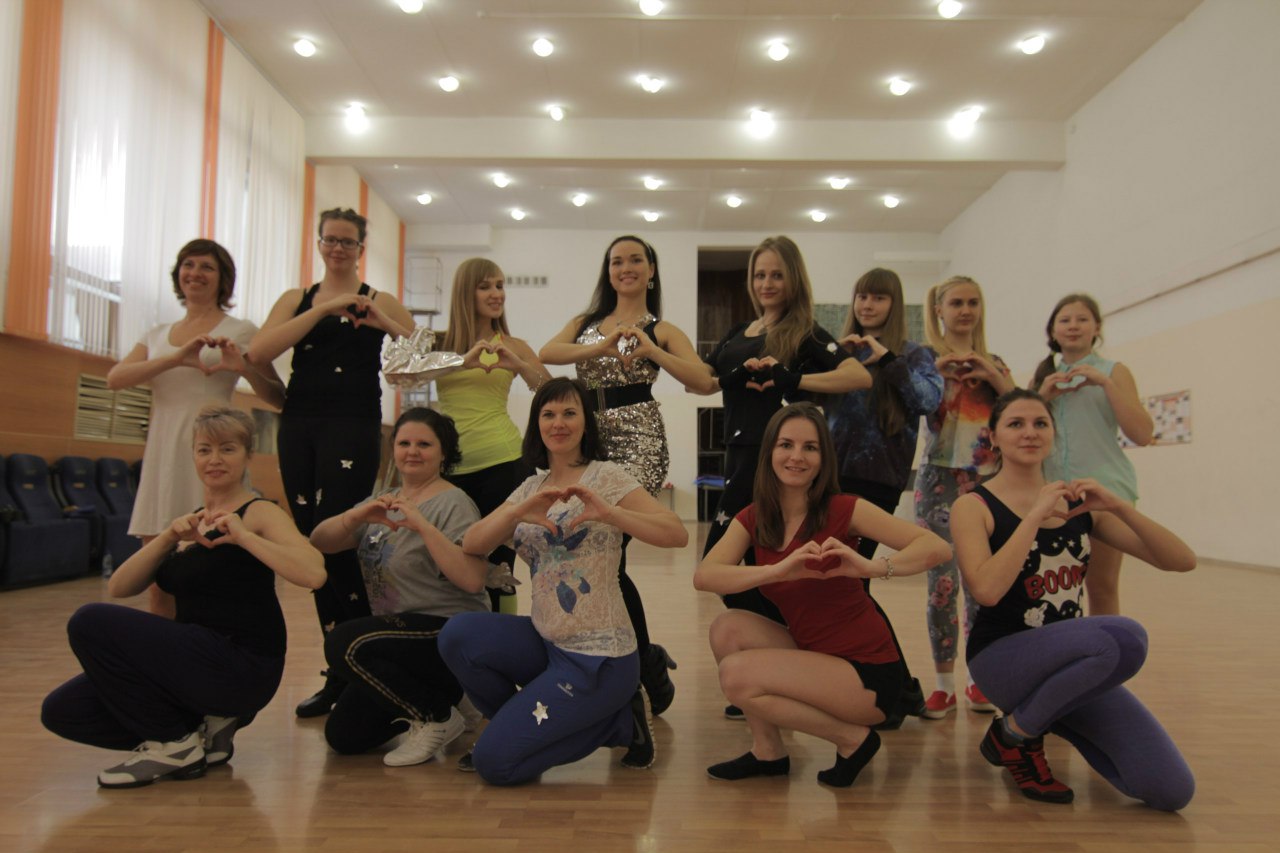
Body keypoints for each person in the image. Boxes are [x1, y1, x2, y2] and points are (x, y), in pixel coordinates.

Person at [40, 406, 326, 788]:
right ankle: (194, 731)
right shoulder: (190, 520)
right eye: (204, 450)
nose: (214, 459)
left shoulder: (258, 512)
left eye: (227, 449)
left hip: (243, 664)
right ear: (193, 456)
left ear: (247, 455)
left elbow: (314, 572)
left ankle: (173, 745)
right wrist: (168, 537)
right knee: (63, 710)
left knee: (89, 621)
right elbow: (120, 587)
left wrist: (244, 537)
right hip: (194, 662)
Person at [950, 389, 1195, 809]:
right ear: (993, 437)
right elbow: (986, 590)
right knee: (1124, 637)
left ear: (1053, 434)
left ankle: (1019, 730)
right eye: (1016, 424)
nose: (1030, 433)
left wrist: (1119, 507)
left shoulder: (1079, 505)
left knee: (1171, 789)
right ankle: (1020, 734)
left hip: (1074, 665)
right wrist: (1033, 516)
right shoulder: (973, 505)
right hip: (1002, 660)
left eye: (1040, 423)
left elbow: (1181, 561)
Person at [439, 378, 688, 785]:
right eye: (549, 414)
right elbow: (473, 543)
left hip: (599, 658)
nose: (559, 423)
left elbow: (676, 534)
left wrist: (611, 514)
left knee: (495, 764)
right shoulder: (531, 487)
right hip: (546, 640)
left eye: (569, 413)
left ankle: (620, 724)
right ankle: (518, 723)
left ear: (586, 422)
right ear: (537, 424)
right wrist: (515, 513)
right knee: (458, 635)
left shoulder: (607, 476)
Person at [694, 403, 950, 787]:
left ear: (823, 458)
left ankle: (853, 740)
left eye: (810, 447)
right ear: (770, 452)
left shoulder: (843, 508)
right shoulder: (756, 516)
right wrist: (777, 570)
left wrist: (871, 567)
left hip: (867, 675)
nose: (796, 456)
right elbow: (705, 576)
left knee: (736, 676)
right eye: (786, 445)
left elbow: (937, 548)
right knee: (727, 628)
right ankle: (768, 752)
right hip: (815, 652)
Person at [697, 236, 870, 722]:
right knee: (725, 571)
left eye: (776, 274)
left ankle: (781, 673)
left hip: (778, 466)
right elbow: (702, 381)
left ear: (793, 279)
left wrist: (795, 381)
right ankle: (770, 668)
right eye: (759, 275)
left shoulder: (805, 332)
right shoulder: (739, 332)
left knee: (773, 567)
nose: (767, 283)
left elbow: (857, 377)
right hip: (739, 461)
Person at [250, 208, 415, 718]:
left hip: (354, 424)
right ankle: (341, 667)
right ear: (320, 243)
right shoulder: (296, 299)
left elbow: (417, 356)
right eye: (331, 240)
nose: (338, 248)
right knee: (312, 542)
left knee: (340, 537)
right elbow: (258, 351)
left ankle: (365, 663)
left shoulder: (378, 297)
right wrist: (325, 309)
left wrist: (380, 320)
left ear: (361, 249)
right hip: (300, 423)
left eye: (348, 241)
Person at [540, 236, 709, 715]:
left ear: (651, 270)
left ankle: (637, 673)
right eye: (617, 261)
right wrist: (602, 345)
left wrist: (653, 351)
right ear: (608, 271)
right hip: (588, 438)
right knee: (602, 559)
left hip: (639, 441)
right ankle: (645, 664)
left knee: (611, 555)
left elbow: (702, 381)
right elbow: (548, 351)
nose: (626, 267)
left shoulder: (663, 328)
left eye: (636, 260)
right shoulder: (586, 323)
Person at [107, 239, 284, 616]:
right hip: (164, 456)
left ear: (223, 278)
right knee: (159, 580)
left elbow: (278, 396)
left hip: (215, 453)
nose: (195, 273)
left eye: (207, 267)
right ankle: (166, 651)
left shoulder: (241, 329)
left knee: (216, 572)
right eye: (189, 265)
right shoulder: (156, 334)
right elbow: (115, 378)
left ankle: (213, 644)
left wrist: (244, 368)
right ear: (178, 273)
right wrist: (175, 358)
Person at [310, 408, 491, 766]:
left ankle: (437, 715)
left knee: (344, 642)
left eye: (424, 444)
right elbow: (321, 541)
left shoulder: (454, 503)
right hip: (397, 638)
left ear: (443, 452)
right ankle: (452, 699)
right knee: (344, 736)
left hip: (447, 630)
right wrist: (356, 516)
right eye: (404, 443)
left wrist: (422, 526)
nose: (412, 451)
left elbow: (472, 580)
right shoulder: (385, 499)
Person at [826, 267, 944, 726]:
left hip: (877, 480)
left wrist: (888, 360)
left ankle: (898, 690)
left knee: (853, 583)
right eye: (862, 296)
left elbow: (929, 401)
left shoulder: (913, 354)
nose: (867, 305)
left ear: (894, 304)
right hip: (831, 477)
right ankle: (897, 689)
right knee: (847, 585)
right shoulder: (839, 352)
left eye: (878, 297)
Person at [915, 274, 1015, 718]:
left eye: (973, 302)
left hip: (987, 481)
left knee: (983, 587)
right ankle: (943, 685)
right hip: (937, 480)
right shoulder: (925, 359)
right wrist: (935, 374)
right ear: (939, 309)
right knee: (942, 584)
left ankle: (979, 679)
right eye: (956, 303)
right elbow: (912, 403)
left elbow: (1021, 407)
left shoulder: (994, 363)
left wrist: (991, 374)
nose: (965, 310)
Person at [436, 258, 551, 612]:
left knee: (500, 568)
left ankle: (502, 639)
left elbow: (553, 393)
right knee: (452, 564)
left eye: (500, 286)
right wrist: (461, 361)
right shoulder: (439, 343)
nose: (496, 293)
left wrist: (520, 366)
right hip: (447, 469)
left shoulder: (513, 345)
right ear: (465, 292)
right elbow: (398, 376)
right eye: (485, 286)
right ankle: (458, 637)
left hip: (503, 463)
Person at [1031, 294, 1153, 616]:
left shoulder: (1115, 371)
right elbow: (1023, 434)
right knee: (1052, 586)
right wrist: (1042, 396)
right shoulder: (1043, 377)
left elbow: (1142, 434)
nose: (1073, 326)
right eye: (1065, 320)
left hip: (1106, 490)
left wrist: (1105, 384)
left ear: (1097, 327)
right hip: (1053, 493)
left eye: (1082, 319)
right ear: (1053, 331)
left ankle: (1106, 647)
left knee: (1101, 586)